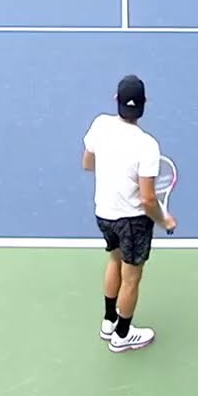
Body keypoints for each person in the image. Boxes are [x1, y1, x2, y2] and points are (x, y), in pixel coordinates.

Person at [82, 75, 176, 353]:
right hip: (132, 221)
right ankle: (122, 335)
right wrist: (164, 220)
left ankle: (109, 320)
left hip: (104, 213)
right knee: (132, 277)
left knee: (114, 260)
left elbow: (88, 163)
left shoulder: (100, 124)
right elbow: (148, 199)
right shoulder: (147, 145)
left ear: (116, 101)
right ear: (145, 104)